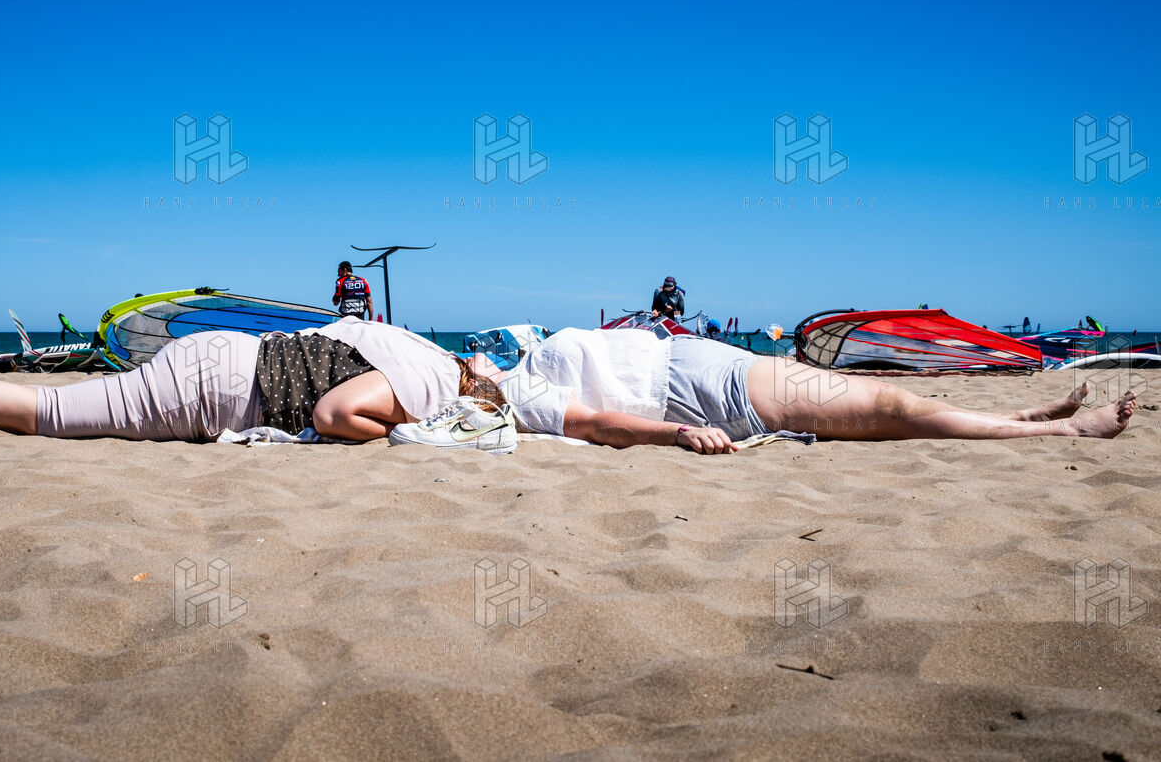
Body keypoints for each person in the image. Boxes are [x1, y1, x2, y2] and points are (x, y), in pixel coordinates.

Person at [0, 317, 508, 445]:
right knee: (44, 414)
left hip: (222, 359)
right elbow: (336, 414)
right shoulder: (428, 382)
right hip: (216, 390)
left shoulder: (408, 340)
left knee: (50, 408)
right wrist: (397, 430)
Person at [481, 327, 1136, 453]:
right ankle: (1065, 428)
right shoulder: (515, 394)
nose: (471, 359)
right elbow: (594, 424)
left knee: (877, 401)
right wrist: (678, 433)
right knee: (888, 407)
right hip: (699, 392)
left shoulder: (508, 355)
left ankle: (1019, 414)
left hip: (704, 361)